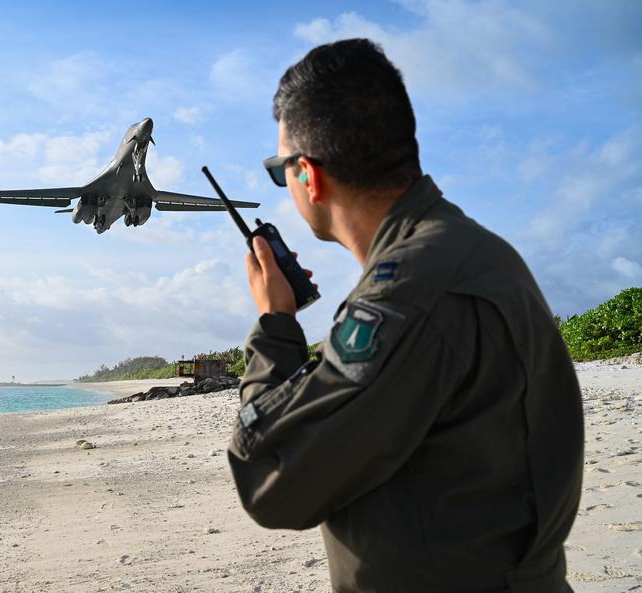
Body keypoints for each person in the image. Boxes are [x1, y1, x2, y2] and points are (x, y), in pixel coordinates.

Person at [227, 38, 584, 593]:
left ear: (310, 177)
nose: (287, 184)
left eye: (282, 170)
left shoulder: (408, 294)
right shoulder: (474, 252)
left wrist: (275, 324)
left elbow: (272, 476)